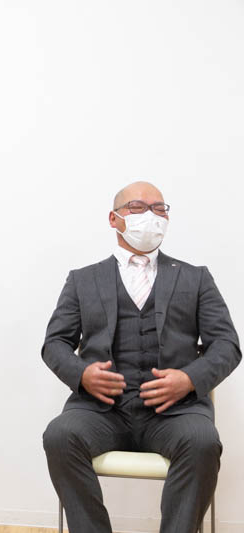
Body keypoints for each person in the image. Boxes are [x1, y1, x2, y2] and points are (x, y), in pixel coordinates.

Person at [41, 181, 240, 532]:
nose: (150, 215)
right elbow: (55, 343)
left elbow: (227, 344)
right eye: (137, 207)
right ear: (114, 219)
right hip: (101, 411)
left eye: (159, 208)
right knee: (60, 435)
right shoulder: (82, 280)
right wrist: (82, 374)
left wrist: (189, 379)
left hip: (175, 413)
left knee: (202, 441)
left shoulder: (196, 278)